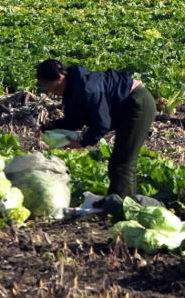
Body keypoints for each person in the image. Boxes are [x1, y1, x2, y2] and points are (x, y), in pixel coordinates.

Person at [35, 58, 157, 202]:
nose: (49, 91)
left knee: (122, 163)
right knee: (120, 163)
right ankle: (124, 202)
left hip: (138, 103)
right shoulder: (71, 89)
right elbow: (75, 120)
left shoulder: (87, 88)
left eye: (48, 85)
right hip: (126, 107)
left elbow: (102, 123)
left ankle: (121, 206)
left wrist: (83, 143)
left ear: (60, 78)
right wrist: (51, 126)